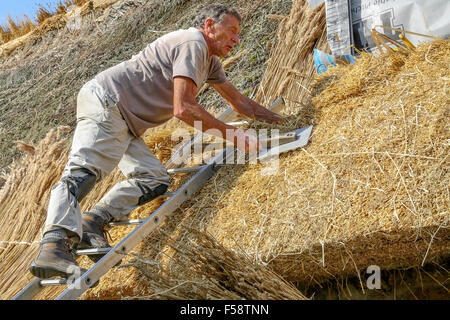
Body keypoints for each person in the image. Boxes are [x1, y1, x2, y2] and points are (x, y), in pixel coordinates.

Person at [29, 3, 281, 279]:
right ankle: (53, 243)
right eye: (231, 31)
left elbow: (240, 102)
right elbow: (183, 109)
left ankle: (93, 221)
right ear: (209, 25)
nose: (236, 39)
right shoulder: (193, 42)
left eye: (238, 34)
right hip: (108, 103)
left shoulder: (209, 61)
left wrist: (283, 122)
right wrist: (234, 135)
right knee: (84, 171)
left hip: (127, 121)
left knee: (154, 179)